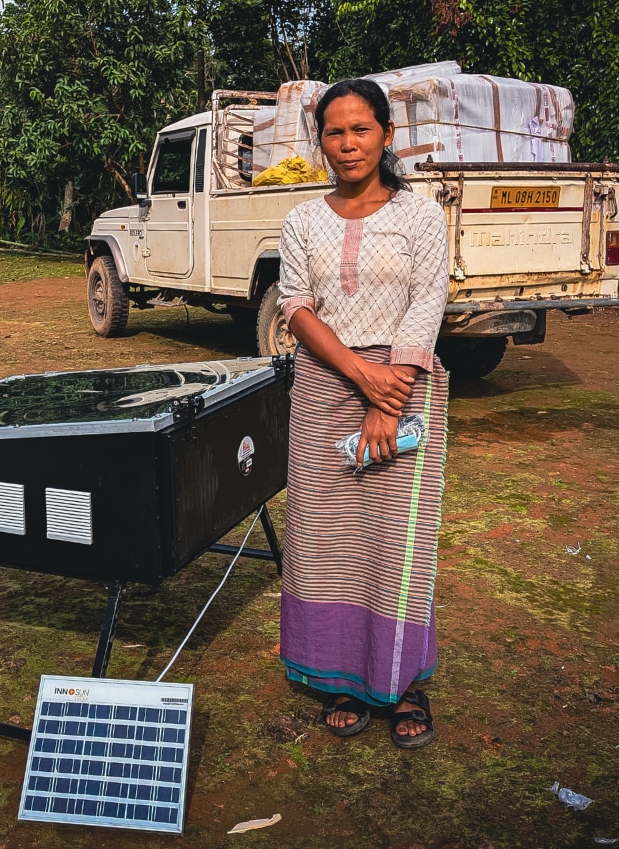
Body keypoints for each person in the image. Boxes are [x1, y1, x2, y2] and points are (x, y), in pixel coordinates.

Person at [276, 78, 450, 747]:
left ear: (386, 136)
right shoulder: (302, 221)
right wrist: (360, 377)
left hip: (405, 385)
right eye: (335, 132)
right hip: (324, 389)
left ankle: (403, 682)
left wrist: (390, 393)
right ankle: (339, 676)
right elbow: (295, 308)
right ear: (321, 141)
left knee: (395, 540)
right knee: (326, 539)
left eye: (361, 130)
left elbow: (427, 301)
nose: (348, 144)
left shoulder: (420, 216)